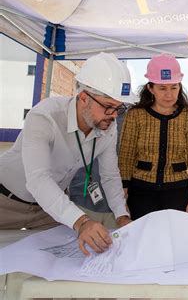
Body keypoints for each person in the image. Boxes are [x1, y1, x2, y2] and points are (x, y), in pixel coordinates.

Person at [0, 52, 136, 256]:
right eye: (109, 107)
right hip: (6, 201)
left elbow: (110, 176)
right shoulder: (44, 117)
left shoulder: (108, 126)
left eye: (120, 108)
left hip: (49, 208)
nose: (114, 115)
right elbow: (38, 180)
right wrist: (82, 222)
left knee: (62, 260)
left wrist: (122, 217)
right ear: (84, 98)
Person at [119, 53, 188, 220]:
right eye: (162, 88)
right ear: (150, 88)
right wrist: (123, 196)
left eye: (174, 87)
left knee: (174, 239)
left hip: (177, 193)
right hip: (141, 192)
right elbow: (126, 158)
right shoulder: (135, 115)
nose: (169, 94)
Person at [68, 114, 127, 229]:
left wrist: (122, 211)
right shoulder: (78, 115)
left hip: (117, 206)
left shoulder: (129, 117)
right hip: (80, 203)